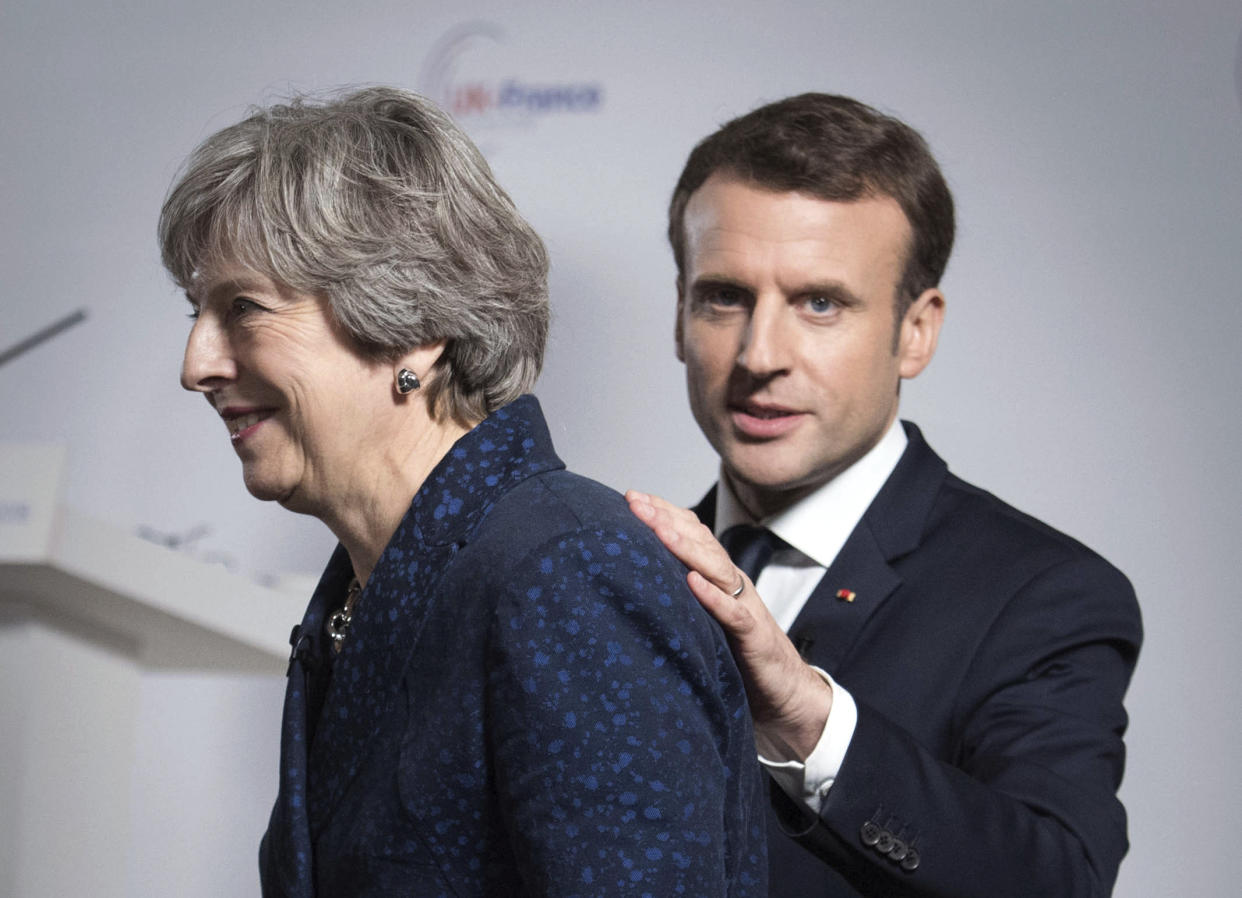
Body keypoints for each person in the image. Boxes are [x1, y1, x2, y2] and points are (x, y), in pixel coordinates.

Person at [160, 86, 766, 897]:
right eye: (198, 311)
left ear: (412, 326)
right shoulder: (370, 588)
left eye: (243, 308)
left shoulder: (566, 577)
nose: (197, 363)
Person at [627, 93, 1142, 897]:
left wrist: (809, 720)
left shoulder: (1047, 596)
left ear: (916, 332)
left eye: (819, 303)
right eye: (725, 296)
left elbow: (1058, 882)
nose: (760, 354)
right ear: (680, 312)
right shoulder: (614, 570)